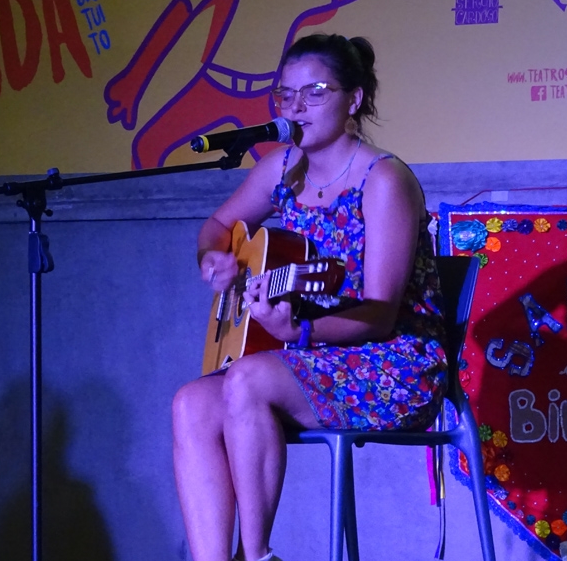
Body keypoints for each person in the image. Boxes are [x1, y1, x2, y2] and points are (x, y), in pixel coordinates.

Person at [171, 33, 447, 561]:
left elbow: (379, 314)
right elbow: (218, 225)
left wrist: (298, 331)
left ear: (354, 100)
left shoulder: (382, 180)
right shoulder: (280, 167)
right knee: (191, 404)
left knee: (249, 378)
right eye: (286, 95)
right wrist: (213, 258)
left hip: (391, 361)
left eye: (315, 92)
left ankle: (257, 556)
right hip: (308, 356)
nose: (296, 108)